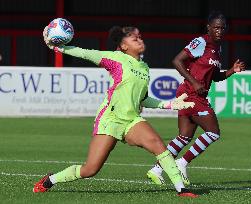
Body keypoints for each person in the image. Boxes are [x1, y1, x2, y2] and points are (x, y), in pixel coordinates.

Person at [33, 25, 198, 198]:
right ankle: (50, 180)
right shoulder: (115, 58)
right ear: (124, 46)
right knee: (90, 169)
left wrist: (171, 104)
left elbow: (143, 99)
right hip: (110, 119)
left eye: (140, 37)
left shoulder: (144, 67)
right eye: (134, 39)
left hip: (132, 120)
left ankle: (182, 190)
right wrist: (58, 47)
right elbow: (85, 53)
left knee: (158, 144)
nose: (140, 40)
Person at [147, 11, 246, 186]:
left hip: (193, 93)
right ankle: (182, 163)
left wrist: (232, 70)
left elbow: (215, 76)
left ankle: (156, 169)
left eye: (222, 28)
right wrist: (194, 82)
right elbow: (177, 60)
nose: (219, 31)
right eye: (215, 27)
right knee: (213, 132)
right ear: (208, 27)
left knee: (184, 137)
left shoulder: (217, 49)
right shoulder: (201, 42)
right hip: (191, 94)